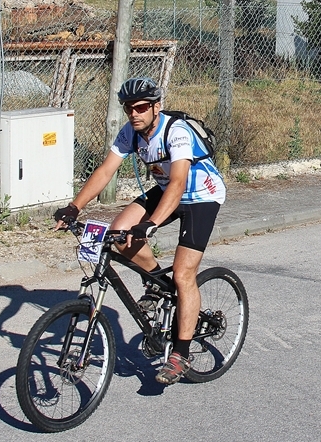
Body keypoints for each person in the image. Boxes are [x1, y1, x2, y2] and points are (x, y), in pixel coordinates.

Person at [53, 77, 226, 385]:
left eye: (142, 107)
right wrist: (74, 207)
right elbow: (105, 170)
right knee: (119, 232)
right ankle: (158, 283)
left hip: (200, 195)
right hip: (166, 191)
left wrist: (151, 224)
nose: (135, 113)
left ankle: (180, 355)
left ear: (156, 107)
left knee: (184, 273)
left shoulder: (177, 132)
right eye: (129, 108)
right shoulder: (130, 134)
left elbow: (178, 182)